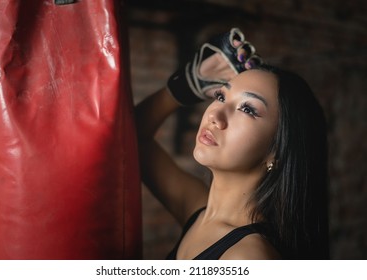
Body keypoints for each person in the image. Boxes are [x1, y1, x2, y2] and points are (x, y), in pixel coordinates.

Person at [135, 28, 329, 260]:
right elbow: (132, 138)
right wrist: (187, 84)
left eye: (247, 109)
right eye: (220, 96)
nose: (214, 116)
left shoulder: (249, 258)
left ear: (277, 150)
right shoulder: (200, 212)